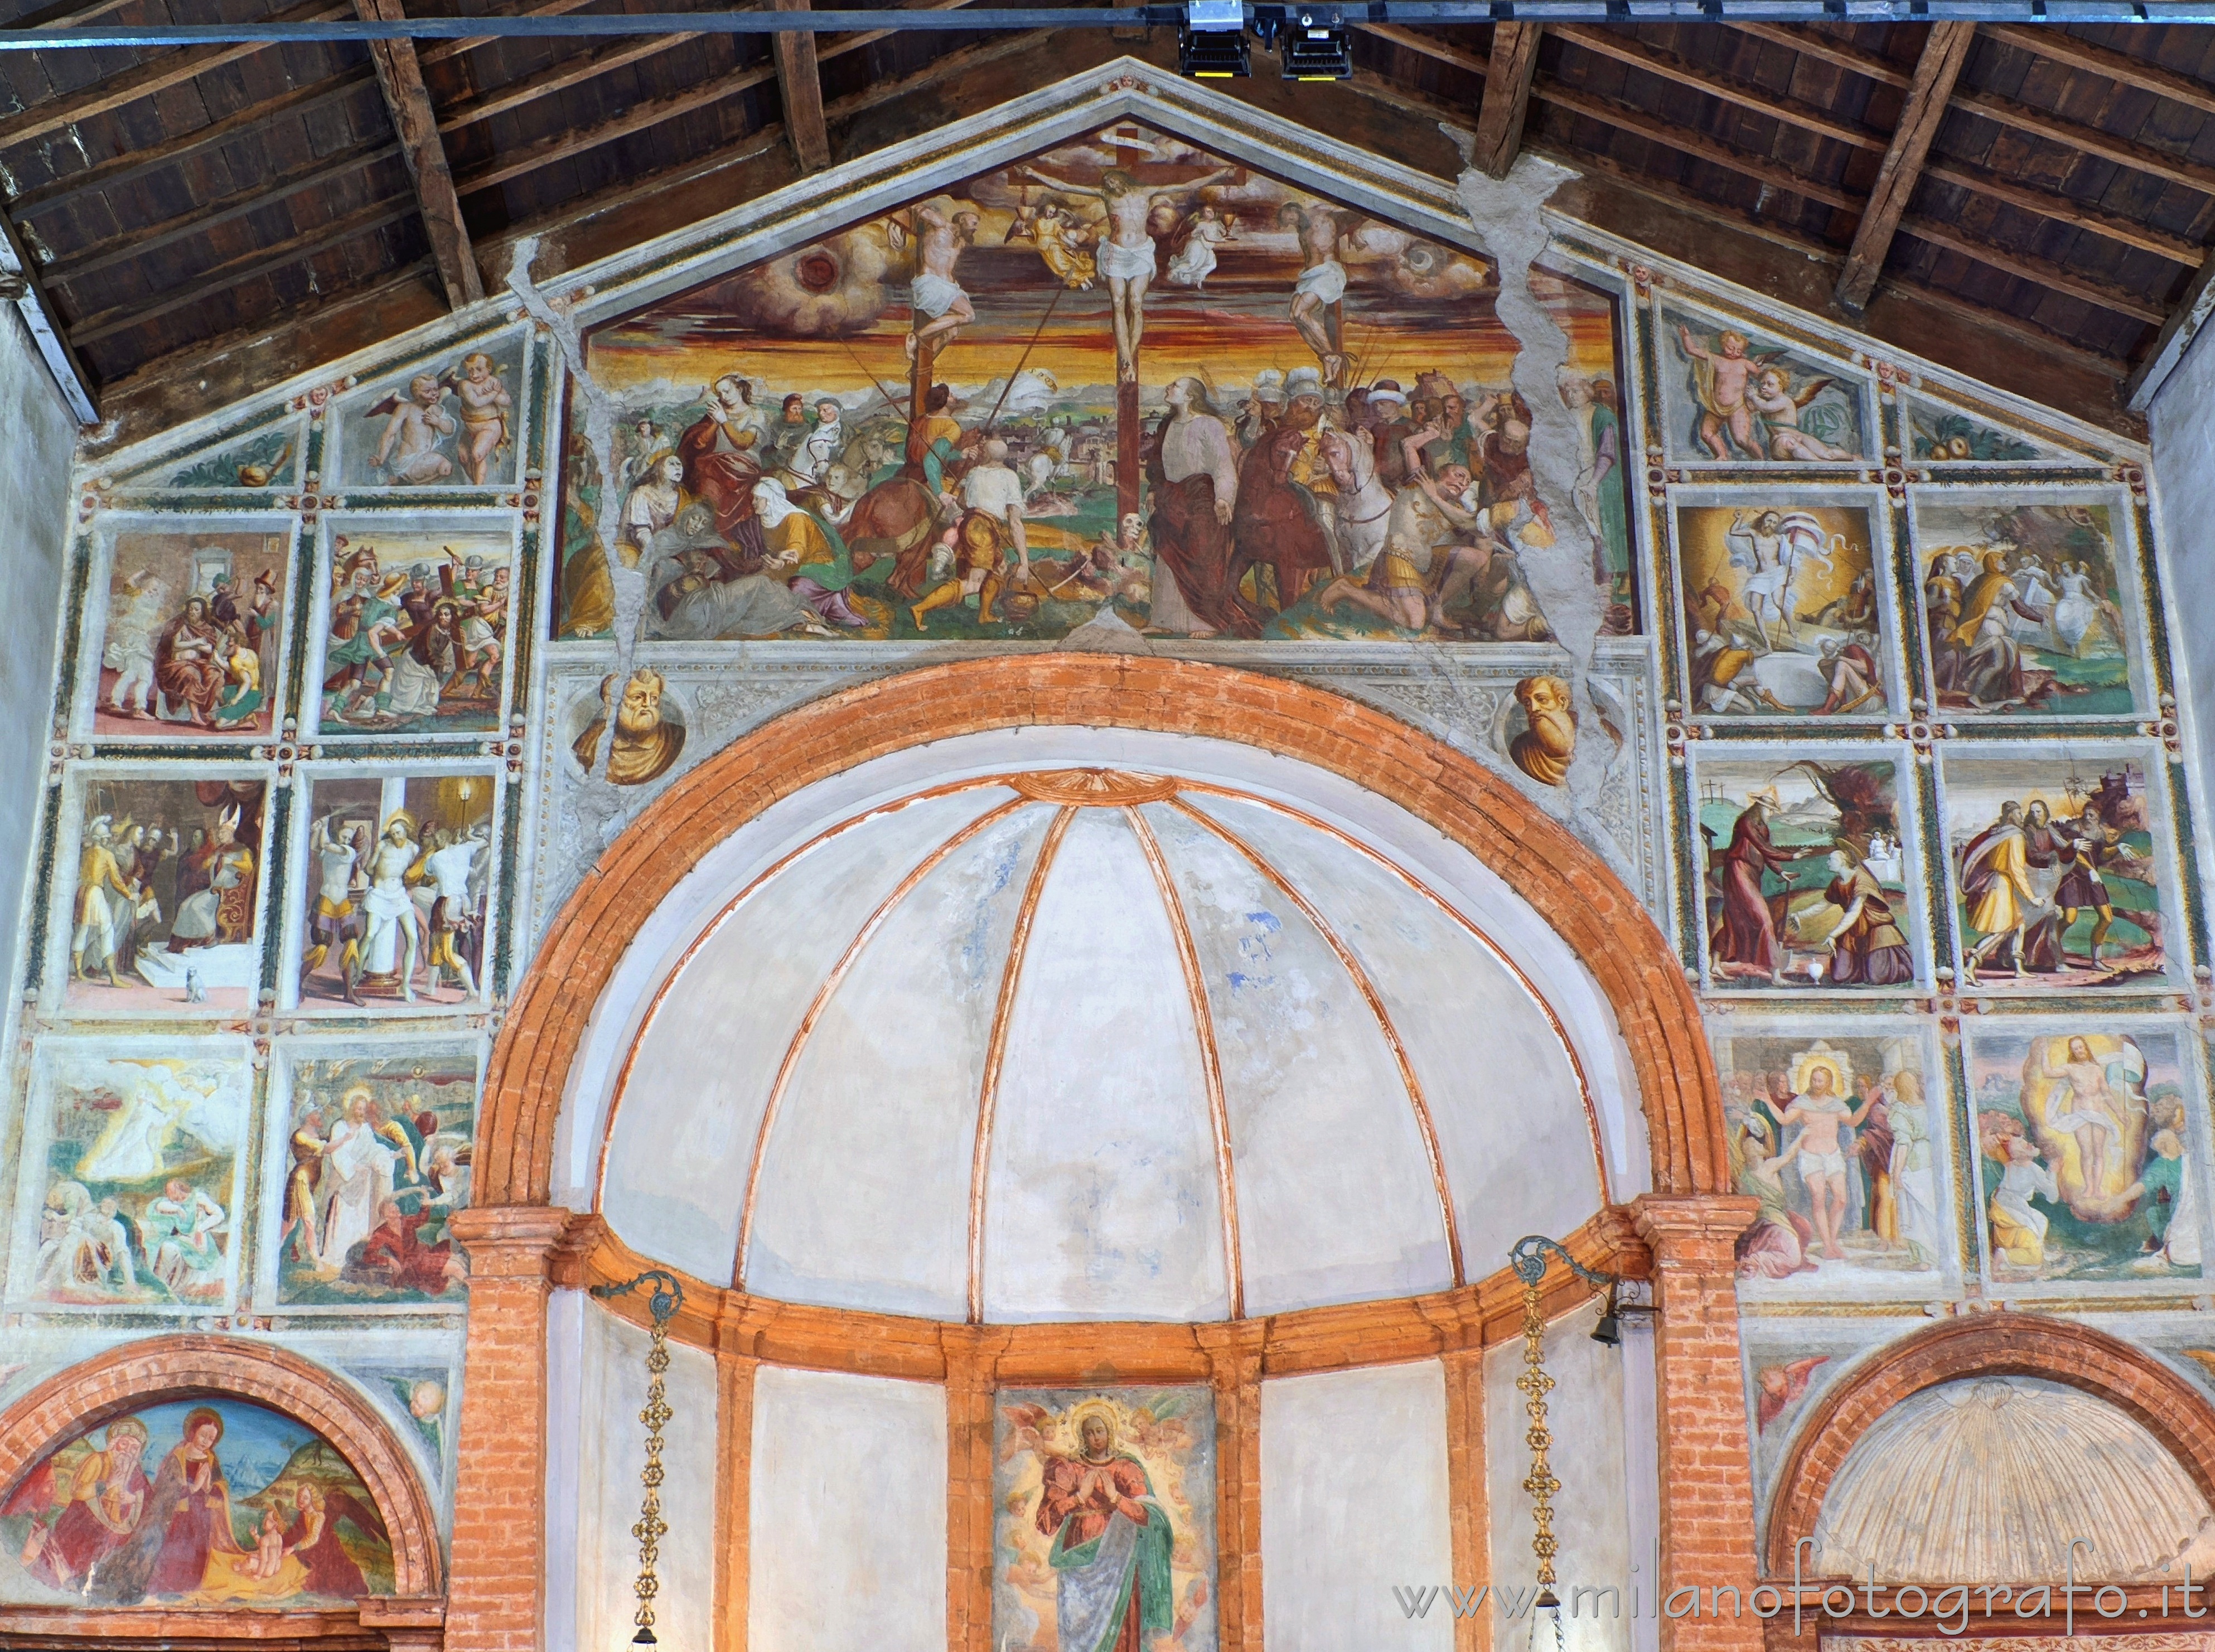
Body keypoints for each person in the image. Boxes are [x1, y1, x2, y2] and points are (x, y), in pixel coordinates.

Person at [1018, 163, 1235, 378]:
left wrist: (1219, 174)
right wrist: (1033, 173)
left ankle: (1128, 359)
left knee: (1136, 302)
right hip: (1116, 253)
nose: (1110, 183)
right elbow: (1064, 186)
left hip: (1140, 252)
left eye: (1113, 180)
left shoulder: (1146, 192)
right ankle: (1126, 360)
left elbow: (1187, 184)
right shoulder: (1105, 194)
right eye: (1107, 182)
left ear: (1124, 179)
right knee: (1119, 303)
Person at [1034, 1408, 1173, 1652]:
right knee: (1078, 1630)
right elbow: (1045, 1522)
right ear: (1082, 1437)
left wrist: (1117, 1498)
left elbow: (1148, 1516)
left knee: (1121, 1630)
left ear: (1110, 1432)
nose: (1096, 1437)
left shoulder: (1126, 1468)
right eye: (1089, 1433)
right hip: (1078, 1558)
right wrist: (1078, 1498)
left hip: (1120, 1558)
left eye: (1100, 1431)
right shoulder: (1069, 1469)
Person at [1147, 377, 1256, 637]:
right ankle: (1164, 620)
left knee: (1203, 558)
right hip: (1172, 499)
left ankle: (1206, 623)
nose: (1168, 387)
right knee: (1168, 558)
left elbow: (1222, 464)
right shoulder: (1167, 425)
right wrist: (1154, 490)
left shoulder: (1210, 425)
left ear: (1190, 397)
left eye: (1174, 386)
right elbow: (1157, 463)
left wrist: (1223, 498)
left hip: (1201, 499)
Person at [4, 1417, 152, 1591]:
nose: (128, 1451)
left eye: (134, 1448)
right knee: (71, 1567)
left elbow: (148, 1499)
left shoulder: (136, 1472)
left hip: (115, 1533)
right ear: (114, 1444)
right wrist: (105, 1485)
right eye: (124, 1444)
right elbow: (78, 1490)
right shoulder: (98, 1460)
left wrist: (133, 1499)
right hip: (83, 1526)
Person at [1763, 1055, 1881, 1262]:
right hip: (1811, 1157)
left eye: (1821, 1081)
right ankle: (1828, 1246)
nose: (1817, 1084)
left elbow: (1853, 1122)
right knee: (1818, 1198)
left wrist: (1869, 1102)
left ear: (1828, 1083)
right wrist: (1767, 1100)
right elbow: (1783, 1119)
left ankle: (1832, 1241)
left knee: (1841, 1199)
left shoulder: (1836, 1104)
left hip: (1833, 1156)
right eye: (1814, 1080)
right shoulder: (1802, 1102)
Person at [1711, 789, 1816, 983]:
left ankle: (1716, 964)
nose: (1771, 813)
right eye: (1769, 810)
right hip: (1738, 871)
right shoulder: (1746, 823)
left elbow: (1766, 854)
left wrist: (1781, 872)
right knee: (1764, 918)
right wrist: (1792, 856)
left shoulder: (1763, 827)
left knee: (1736, 917)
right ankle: (1776, 974)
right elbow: (1763, 847)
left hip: (1752, 874)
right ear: (1760, 808)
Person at [315, 1085, 409, 1274]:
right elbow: (338, 1154)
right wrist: (354, 1167)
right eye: (358, 1109)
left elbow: (373, 1148)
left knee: (361, 1219)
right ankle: (336, 1257)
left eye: (364, 1110)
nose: (361, 1113)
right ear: (350, 1108)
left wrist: (392, 1155)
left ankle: (355, 1257)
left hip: (364, 1181)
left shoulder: (365, 1128)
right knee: (344, 1218)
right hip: (346, 1180)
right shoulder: (339, 1127)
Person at [1960, 800, 2038, 984]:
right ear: (2011, 815)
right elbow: (2016, 869)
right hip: (2001, 887)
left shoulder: (1999, 833)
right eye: (2019, 814)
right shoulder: (2015, 836)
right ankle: (1970, 966)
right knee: (2002, 932)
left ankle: (2019, 969)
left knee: (2019, 925)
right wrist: (2031, 897)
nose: (2022, 817)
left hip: (1997, 883)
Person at [573, 668, 687, 786]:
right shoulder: (591, 741)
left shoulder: (674, 739)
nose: (647, 704)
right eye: (637, 697)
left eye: (654, 698)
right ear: (612, 703)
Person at [356, 812, 424, 1000]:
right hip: (380, 894)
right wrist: (382, 871)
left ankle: (407, 985)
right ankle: (357, 975)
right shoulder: (382, 846)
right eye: (393, 833)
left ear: (407, 832)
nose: (396, 837)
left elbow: (410, 871)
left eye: (399, 833)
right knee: (370, 934)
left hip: (398, 895)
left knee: (413, 938)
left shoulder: (413, 849)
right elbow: (369, 869)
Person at [1822, 846, 1913, 986]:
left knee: (1879, 977)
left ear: (1844, 862)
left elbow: (1854, 911)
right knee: (1840, 976)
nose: (1827, 862)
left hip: (1876, 927)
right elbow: (1823, 904)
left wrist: (1833, 935)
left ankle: (1899, 967)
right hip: (1855, 929)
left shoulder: (1862, 879)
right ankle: (1861, 970)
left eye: (1831, 859)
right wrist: (1799, 915)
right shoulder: (1838, 882)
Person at [902, 201, 982, 360]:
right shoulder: (941, 226)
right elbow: (916, 207)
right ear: (961, 220)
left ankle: (921, 366)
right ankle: (916, 336)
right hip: (931, 284)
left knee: (951, 332)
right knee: (968, 316)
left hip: (948, 288)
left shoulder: (961, 242)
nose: (975, 228)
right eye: (973, 223)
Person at [344, 1195, 467, 1295]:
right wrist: (389, 1261)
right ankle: (475, 1292)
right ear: (385, 1216)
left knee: (457, 1260)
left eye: (396, 1207)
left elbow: (421, 1219)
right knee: (455, 1267)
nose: (396, 1209)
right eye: (391, 1209)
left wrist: (425, 1203)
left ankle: (468, 1289)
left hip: (423, 1255)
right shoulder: (381, 1233)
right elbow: (368, 1256)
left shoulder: (405, 1221)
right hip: (411, 1265)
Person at [1281, 201, 1349, 381]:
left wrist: (1355, 236)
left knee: (1301, 313)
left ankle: (1331, 354)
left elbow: (1344, 208)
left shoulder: (1318, 214)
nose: (1292, 223)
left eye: (1291, 218)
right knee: (1294, 317)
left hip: (1327, 273)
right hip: (1309, 276)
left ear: (1294, 210)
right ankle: (1325, 356)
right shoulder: (1302, 228)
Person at [1677, 323, 1759, 460]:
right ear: (1723, 344)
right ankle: (1722, 455)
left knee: (1741, 440)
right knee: (1706, 434)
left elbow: (1761, 376)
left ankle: (1762, 459)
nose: (1734, 352)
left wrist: (1757, 396)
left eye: (1739, 350)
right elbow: (1692, 350)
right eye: (1731, 348)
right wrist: (1686, 336)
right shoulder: (1716, 359)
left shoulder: (1745, 364)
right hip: (1716, 406)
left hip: (1737, 407)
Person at [154, 596, 229, 727]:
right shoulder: (179, 624)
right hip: (176, 664)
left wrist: (191, 644)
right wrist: (197, 642)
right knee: (192, 673)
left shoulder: (206, 628)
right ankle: (195, 716)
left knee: (216, 675)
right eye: (190, 609)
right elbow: (175, 646)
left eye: (196, 610)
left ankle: (204, 710)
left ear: (202, 612)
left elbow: (209, 648)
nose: (192, 612)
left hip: (199, 661)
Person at [1990, 1131, 2061, 1268]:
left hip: (2000, 1205)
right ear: (2022, 1153)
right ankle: (2005, 1256)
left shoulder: (2011, 1165)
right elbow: (2052, 1197)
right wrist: (2053, 1172)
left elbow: (2032, 1185)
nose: (2030, 1145)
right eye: (2027, 1145)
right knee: (2035, 1231)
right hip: (2014, 1209)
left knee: (2040, 1219)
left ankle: (2036, 1250)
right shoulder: (2033, 1169)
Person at [371, 374, 457, 484]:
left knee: (446, 470)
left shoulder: (437, 409)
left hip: (426, 459)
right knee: (445, 467)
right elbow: (390, 434)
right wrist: (381, 457)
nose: (434, 394)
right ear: (416, 394)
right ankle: (405, 479)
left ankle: (405, 482)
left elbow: (450, 430)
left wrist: (438, 422)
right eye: (428, 391)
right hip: (409, 461)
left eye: (436, 389)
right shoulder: (406, 408)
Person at [105, 570, 167, 719]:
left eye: (156, 591)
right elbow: (128, 582)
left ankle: (126, 704)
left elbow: (156, 628)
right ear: (143, 589)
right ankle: (127, 705)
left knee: (141, 675)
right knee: (137, 674)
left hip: (143, 643)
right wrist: (143, 572)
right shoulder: (136, 596)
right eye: (151, 589)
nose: (153, 593)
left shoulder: (156, 611)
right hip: (133, 641)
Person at [449, 351, 511, 484]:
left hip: (490, 426)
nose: (474, 374)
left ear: (489, 369)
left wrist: (496, 394)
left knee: (477, 455)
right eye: (470, 370)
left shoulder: (494, 381)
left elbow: (507, 402)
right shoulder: (465, 385)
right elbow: (476, 403)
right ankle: (478, 486)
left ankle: (478, 488)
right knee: (464, 458)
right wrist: (494, 393)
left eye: (479, 369)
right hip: (470, 428)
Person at [1165, 202, 1235, 289]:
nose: (1211, 213)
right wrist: (1222, 240)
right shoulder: (1201, 224)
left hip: (1207, 248)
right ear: (1203, 214)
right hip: (1196, 246)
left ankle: (1198, 279)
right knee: (1192, 263)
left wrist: (1229, 229)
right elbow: (1208, 238)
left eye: (1212, 211)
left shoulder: (1216, 224)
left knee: (1211, 264)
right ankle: (1174, 272)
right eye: (1208, 212)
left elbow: (1226, 234)